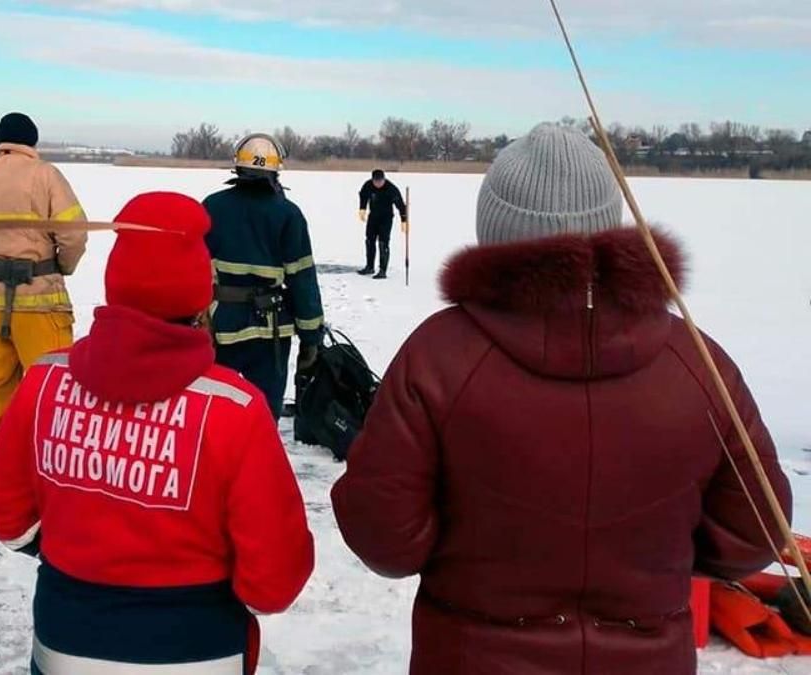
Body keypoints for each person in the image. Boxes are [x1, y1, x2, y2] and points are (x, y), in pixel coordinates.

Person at [331, 123, 792, 675]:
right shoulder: (696, 362)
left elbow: (384, 538)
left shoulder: (439, 355)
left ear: (495, 228)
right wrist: (648, 563)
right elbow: (754, 534)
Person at [0, 191, 314, 673]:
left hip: (67, 644)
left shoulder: (45, 382)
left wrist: (72, 553)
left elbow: (2, 513)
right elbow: (275, 579)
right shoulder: (235, 410)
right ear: (202, 290)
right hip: (199, 652)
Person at [0, 112, 87, 490]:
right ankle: (53, 466)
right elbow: (74, 234)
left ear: (1, 141)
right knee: (53, 385)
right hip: (40, 301)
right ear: (33, 142)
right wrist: (59, 266)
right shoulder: (46, 176)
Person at [203, 133, 325, 419]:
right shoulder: (288, 214)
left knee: (215, 408)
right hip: (271, 331)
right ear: (275, 170)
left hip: (221, 325)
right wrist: (311, 336)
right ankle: (259, 460)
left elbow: (193, 267)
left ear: (238, 167)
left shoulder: (212, 206)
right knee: (265, 414)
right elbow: (302, 278)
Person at [356, 169, 407, 279]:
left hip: (386, 218)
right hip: (373, 217)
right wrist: (362, 209)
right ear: (372, 180)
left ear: (384, 179)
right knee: (369, 241)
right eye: (376, 181)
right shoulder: (368, 185)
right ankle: (370, 266)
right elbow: (363, 196)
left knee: (383, 242)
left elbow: (401, 205)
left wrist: (404, 220)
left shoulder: (391, 189)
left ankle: (382, 270)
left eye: (380, 181)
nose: (378, 183)